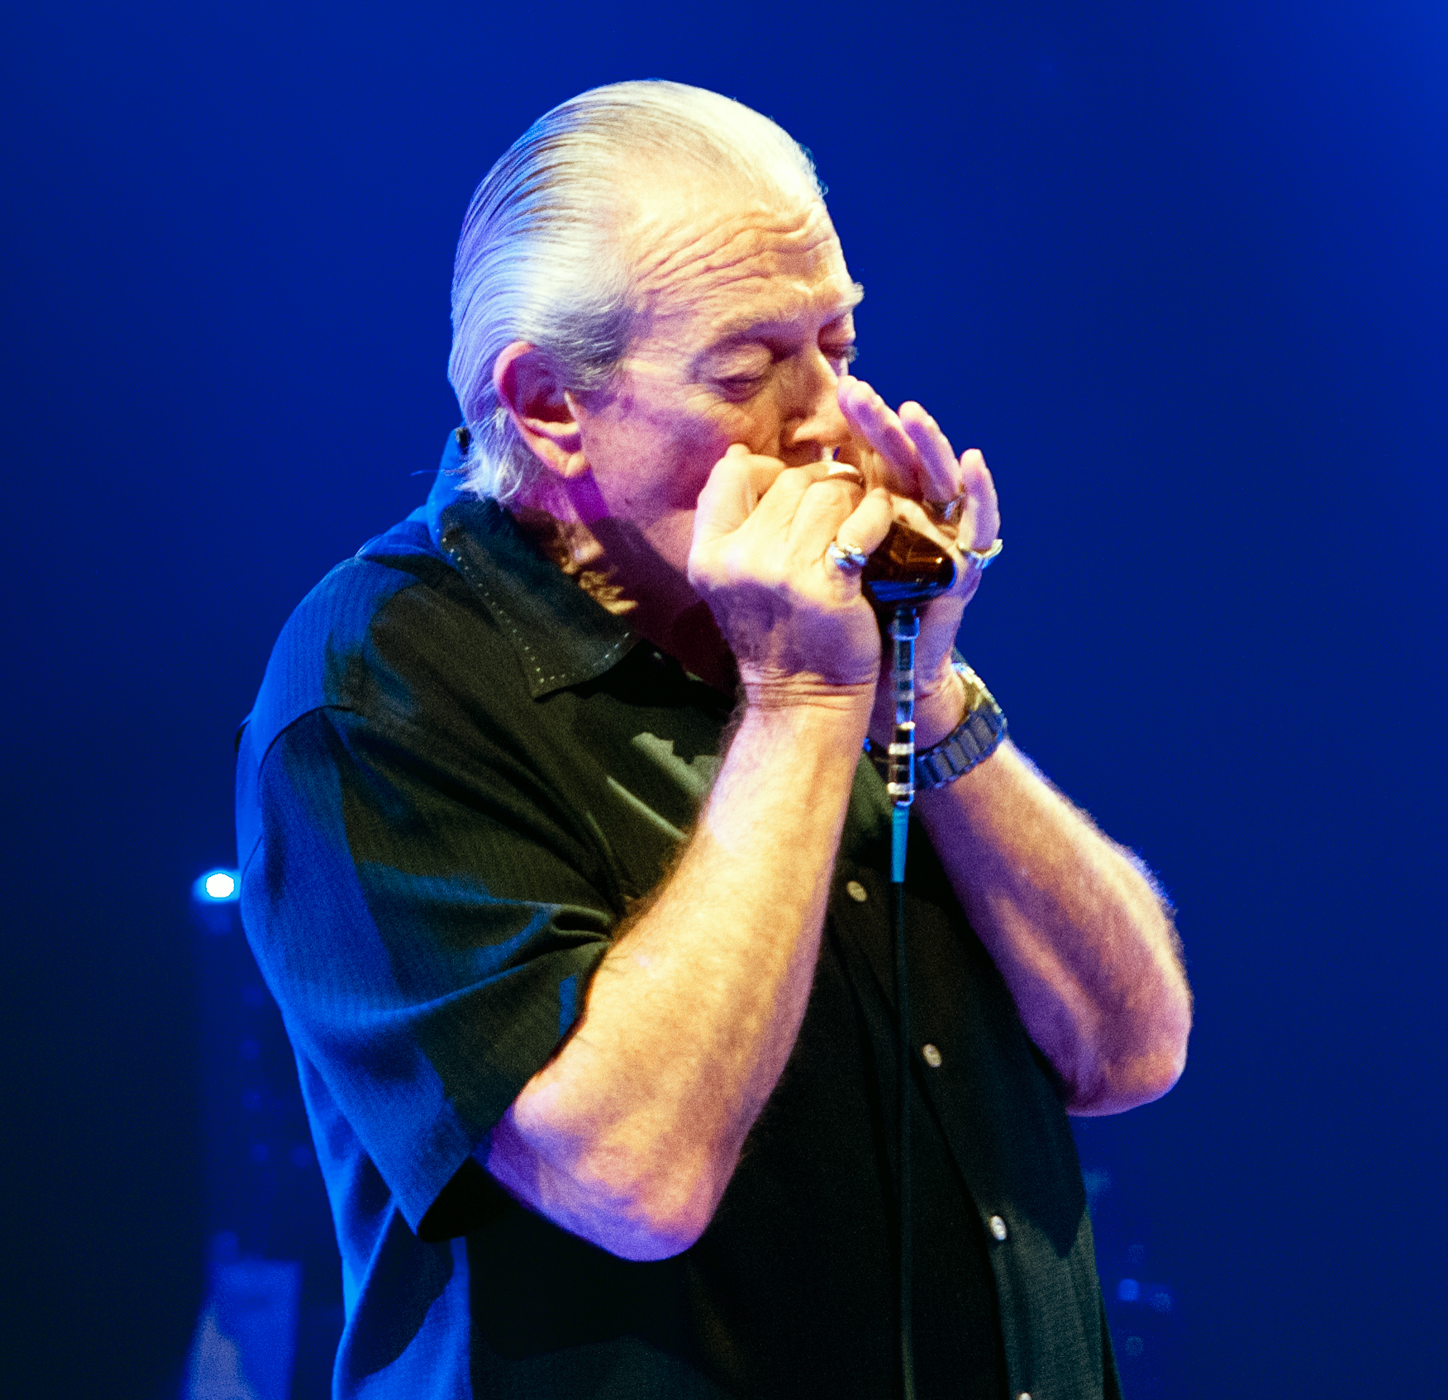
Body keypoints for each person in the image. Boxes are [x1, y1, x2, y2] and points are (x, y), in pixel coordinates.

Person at [236, 80, 1191, 1400]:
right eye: (747, 372)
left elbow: (1131, 1049)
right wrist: (801, 708)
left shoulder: (826, 627)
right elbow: (634, 1177)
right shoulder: (380, 684)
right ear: (548, 404)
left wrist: (926, 687)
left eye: (841, 345)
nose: (824, 420)